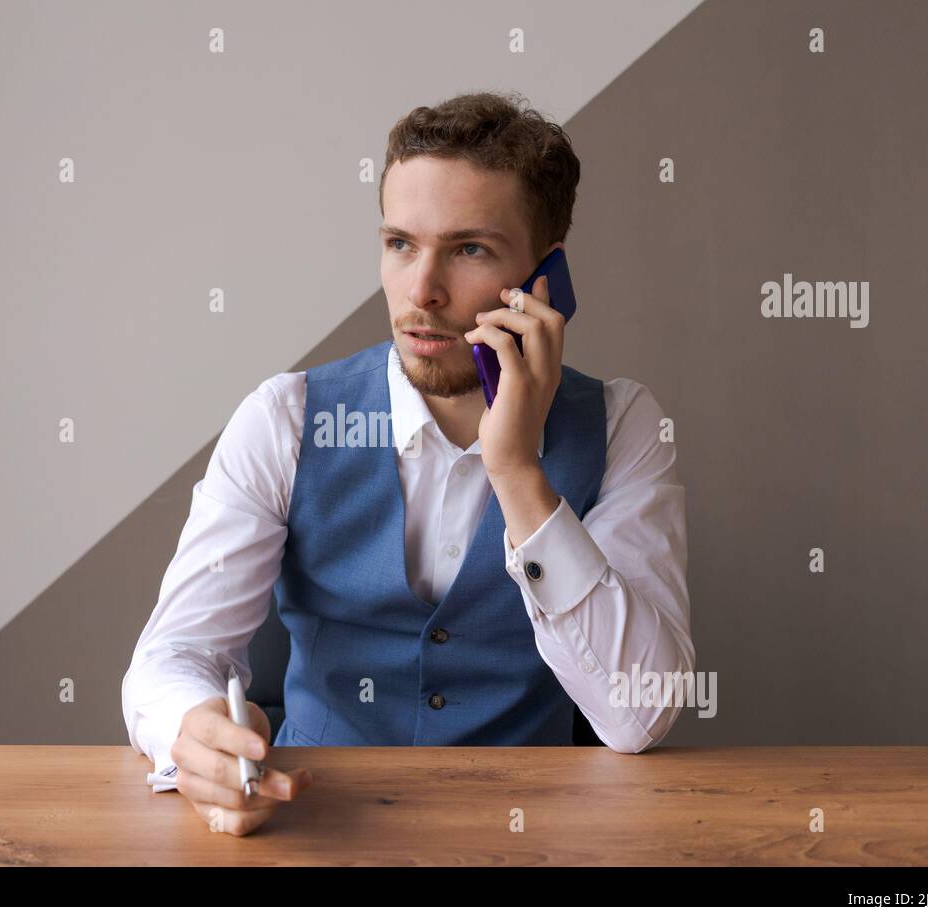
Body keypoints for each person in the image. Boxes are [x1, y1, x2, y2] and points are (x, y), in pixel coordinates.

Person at [122, 90, 694, 836]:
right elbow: (174, 655)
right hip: (315, 827)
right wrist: (191, 732)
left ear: (545, 277)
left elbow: (640, 714)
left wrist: (518, 471)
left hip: (535, 835)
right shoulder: (285, 419)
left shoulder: (623, 425)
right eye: (400, 244)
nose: (421, 291)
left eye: (468, 250)